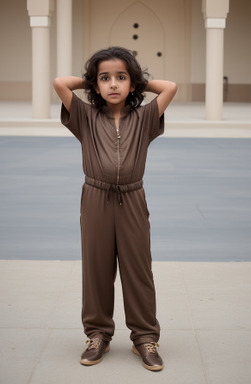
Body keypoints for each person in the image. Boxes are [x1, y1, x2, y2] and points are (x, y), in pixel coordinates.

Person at [53, 46, 177, 371]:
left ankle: (145, 338)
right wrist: (90, 79)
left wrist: (137, 79)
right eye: (105, 79)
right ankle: (98, 335)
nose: (113, 85)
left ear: (132, 84)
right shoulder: (85, 116)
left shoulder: (145, 117)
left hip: (133, 199)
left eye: (121, 78)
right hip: (95, 199)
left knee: (138, 269)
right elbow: (59, 83)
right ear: (95, 85)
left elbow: (170, 88)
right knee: (96, 269)